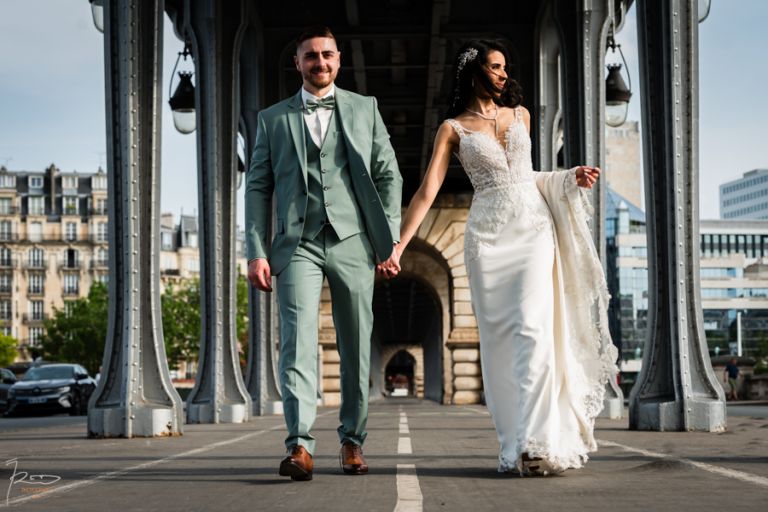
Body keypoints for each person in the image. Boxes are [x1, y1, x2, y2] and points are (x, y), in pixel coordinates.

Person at [380, 40, 617, 476]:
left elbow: (528, 177)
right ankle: (513, 442)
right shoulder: (453, 128)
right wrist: (398, 246)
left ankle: (536, 442)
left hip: (532, 230)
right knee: (499, 344)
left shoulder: (521, 115)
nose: (504, 73)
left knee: (532, 328)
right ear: (474, 73)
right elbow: (427, 191)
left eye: (505, 66)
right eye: (495, 66)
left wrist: (570, 177)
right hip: (487, 239)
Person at [246, 26, 403, 482]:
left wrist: (388, 237)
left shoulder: (364, 108)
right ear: (297, 63)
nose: (320, 63)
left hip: (353, 240)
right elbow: (258, 186)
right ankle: (299, 446)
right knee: (296, 341)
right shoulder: (272, 119)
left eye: (327, 55)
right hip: (297, 244)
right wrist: (255, 250)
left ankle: (352, 441)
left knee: (355, 343)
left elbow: (387, 173)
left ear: (339, 59)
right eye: (311, 56)